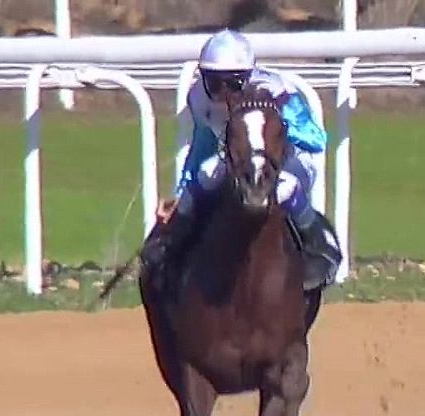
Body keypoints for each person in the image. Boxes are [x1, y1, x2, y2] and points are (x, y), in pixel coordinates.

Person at [139, 28, 343, 292]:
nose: (224, 93)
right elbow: (203, 147)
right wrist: (181, 193)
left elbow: (316, 139)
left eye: (232, 83)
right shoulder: (199, 98)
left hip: (289, 160)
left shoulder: (278, 91)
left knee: (285, 185)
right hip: (237, 163)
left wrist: (272, 124)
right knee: (204, 174)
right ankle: (170, 244)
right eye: (214, 83)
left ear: (248, 77)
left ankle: (320, 246)